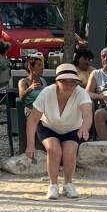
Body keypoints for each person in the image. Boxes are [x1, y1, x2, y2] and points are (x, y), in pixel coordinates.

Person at [26, 63, 92, 199]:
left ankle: (68, 184)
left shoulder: (81, 93)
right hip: (48, 126)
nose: (69, 86)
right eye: (64, 82)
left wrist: (85, 127)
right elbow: (32, 119)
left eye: (73, 82)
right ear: (57, 82)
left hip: (73, 128)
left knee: (70, 151)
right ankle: (53, 185)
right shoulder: (47, 93)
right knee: (54, 150)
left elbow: (87, 114)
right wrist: (30, 145)